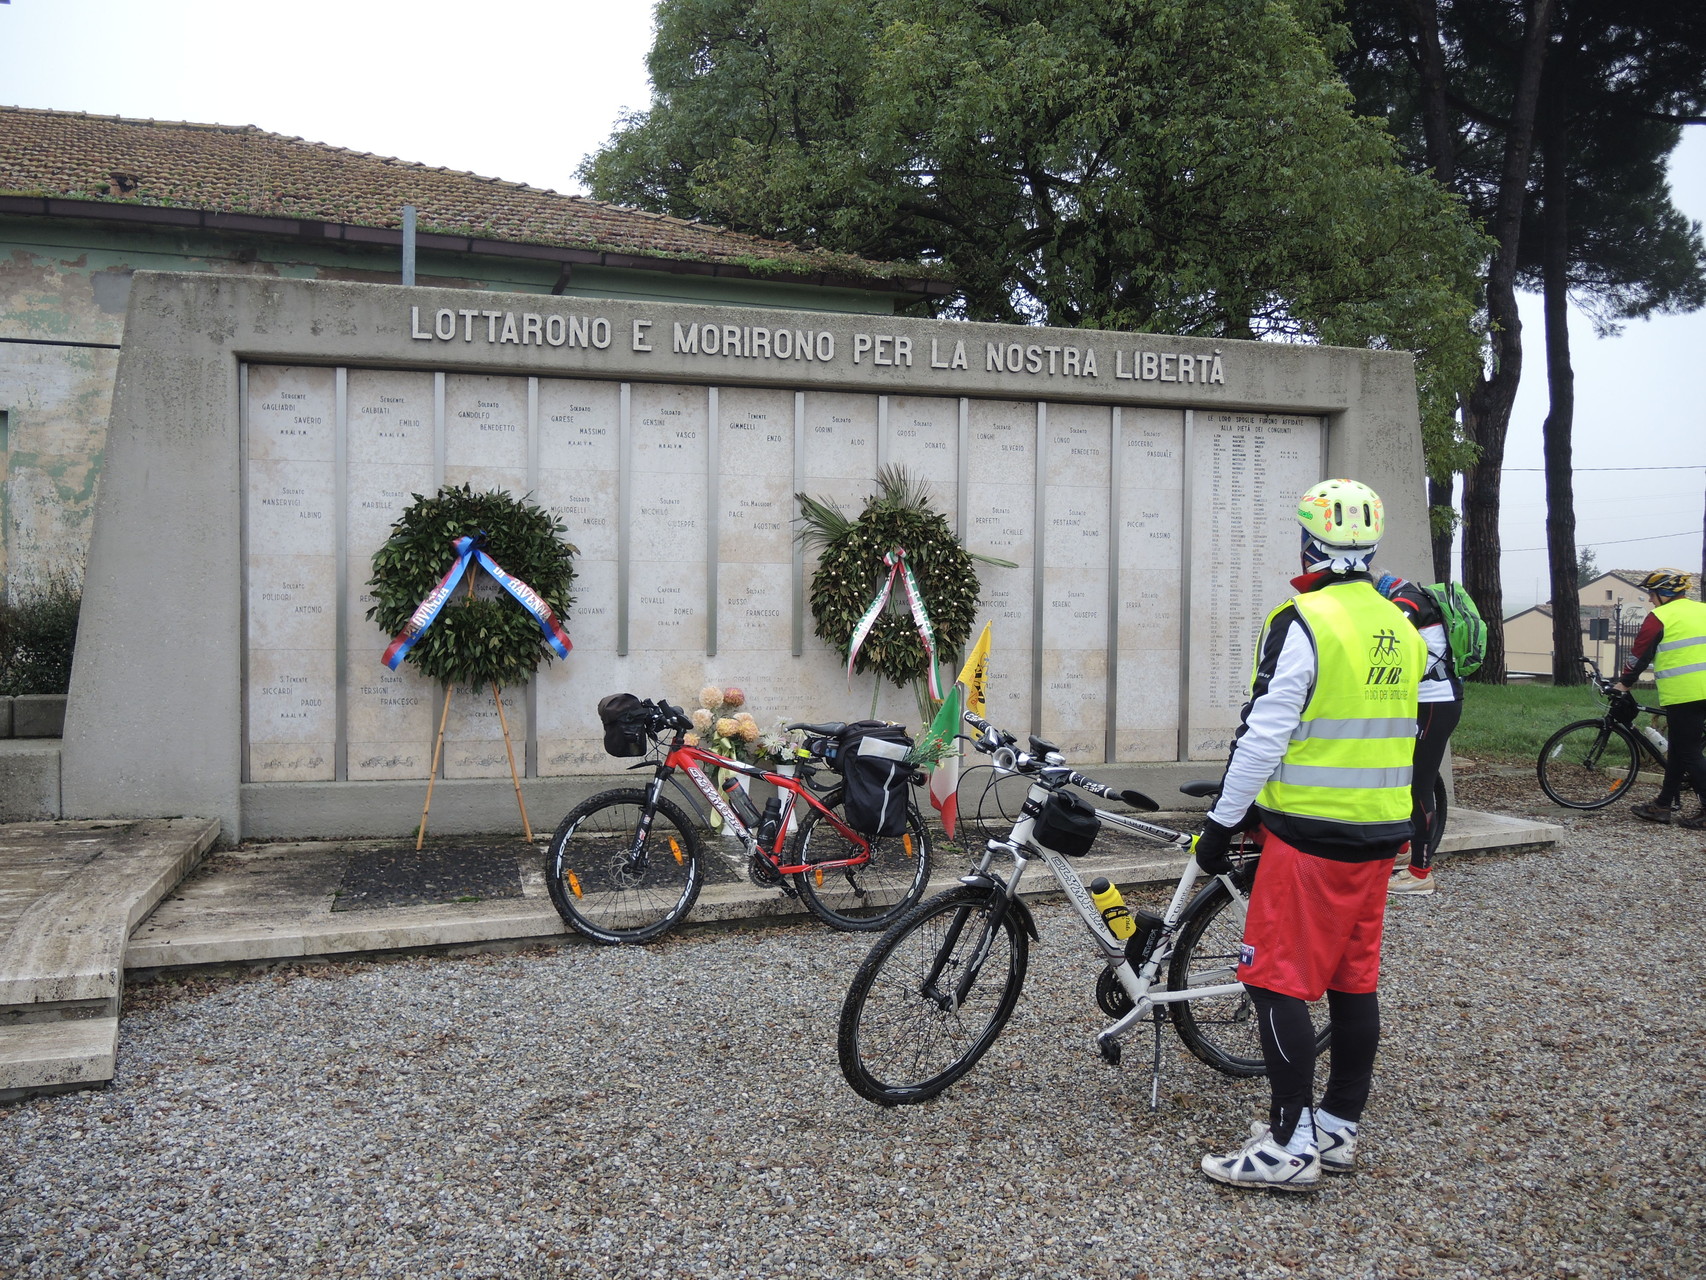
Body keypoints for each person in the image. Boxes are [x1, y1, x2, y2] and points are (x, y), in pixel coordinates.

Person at [1192, 478, 1424, 1193]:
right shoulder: (1401, 626)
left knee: (1274, 979)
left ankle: (1288, 1145)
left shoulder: (1303, 620)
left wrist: (1221, 821)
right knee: (1353, 983)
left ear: (1308, 542)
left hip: (1310, 836)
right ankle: (1338, 1127)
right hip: (1379, 833)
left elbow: (1264, 737)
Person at [1374, 573, 1464, 894]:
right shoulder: (1411, 596)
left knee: (1418, 785)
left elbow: (1389, 650)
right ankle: (1402, 849)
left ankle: (1420, 873)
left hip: (1435, 703)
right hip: (1429, 701)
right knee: (1403, 775)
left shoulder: (1405, 603)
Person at [1616, 570, 1706, 829]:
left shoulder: (1660, 617)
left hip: (1687, 692)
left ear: (1664, 594)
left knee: (1688, 752)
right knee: (1678, 750)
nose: (1650, 600)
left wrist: (1624, 683)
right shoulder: (1703, 610)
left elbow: (1640, 654)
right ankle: (1663, 805)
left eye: (1652, 595)